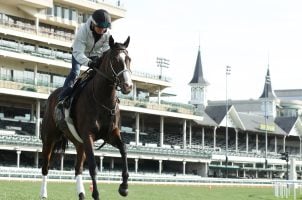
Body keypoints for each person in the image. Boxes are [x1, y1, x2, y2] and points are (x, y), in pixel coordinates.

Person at [58, 9, 112, 104]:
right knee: (75, 72)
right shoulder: (83, 31)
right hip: (79, 54)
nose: (102, 30)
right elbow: (78, 53)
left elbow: (106, 50)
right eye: (99, 27)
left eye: (104, 28)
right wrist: (89, 62)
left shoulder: (107, 34)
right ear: (93, 24)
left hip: (95, 55)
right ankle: (62, 98)